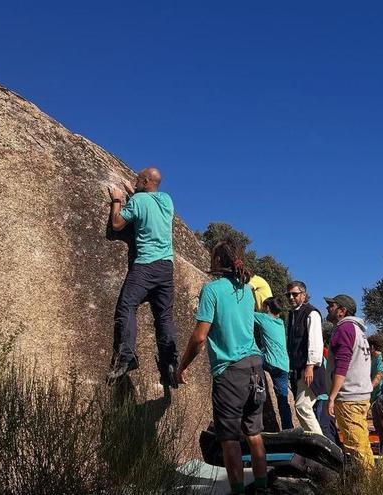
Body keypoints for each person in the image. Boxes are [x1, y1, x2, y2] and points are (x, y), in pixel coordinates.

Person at [176, 239, 268, 494]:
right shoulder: (246, 291)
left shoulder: (212, 290)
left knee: (229, 438)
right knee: (254, 432)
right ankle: (262, 487)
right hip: (255, 367)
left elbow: (199, 337)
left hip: (230, 371)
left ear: (218, 261)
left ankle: (237, 490)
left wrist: (182, 366)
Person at [108, 168, 179, 387]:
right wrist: (135, 191)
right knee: (164, 317)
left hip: (146, 265)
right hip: (166, 267)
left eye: (138, 179)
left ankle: (126, 356)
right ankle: (170, 363)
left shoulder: (138, 201)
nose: (134, 181)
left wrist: (118, 201)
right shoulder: (167, 200)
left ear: (146, 181)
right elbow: (146, 200)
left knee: (127, 307)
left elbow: (117, 225)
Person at [324, 294, 374, 474]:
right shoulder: (358, 330)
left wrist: (331, 397)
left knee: (357, 447)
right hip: (359, 394)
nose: (328, 308)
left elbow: (342, 365)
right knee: (361, 443)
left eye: (331, 305)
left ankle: (369, 486)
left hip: (349, 397)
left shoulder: (344, 328)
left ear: (341, 311)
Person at [285, 281, 324, 435]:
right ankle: (313, 446)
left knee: (303, 407)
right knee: (301, 408)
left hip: (311, 369)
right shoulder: (292, 314)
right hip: (298, 370)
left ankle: (322, 446)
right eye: (288, 294)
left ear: (304, 295)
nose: (291, 297)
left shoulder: (311, 313)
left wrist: (310, 366)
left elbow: (315, 341)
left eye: (295, 294)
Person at [255, 297, 293, 430]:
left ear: (267, 308)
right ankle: (288, 429)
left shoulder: (264, 318)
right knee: (283, 400)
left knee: (249, 356)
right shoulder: (281, 323)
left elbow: (245, 314)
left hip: (270, 361)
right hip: (284, 365)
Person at [313, 322, 340, 444]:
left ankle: (334, 454)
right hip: (325, 396)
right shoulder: (325, 358)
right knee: (329, 427)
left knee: (324, 426)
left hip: (323, 396)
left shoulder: (322, 356)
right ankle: (339, 452)